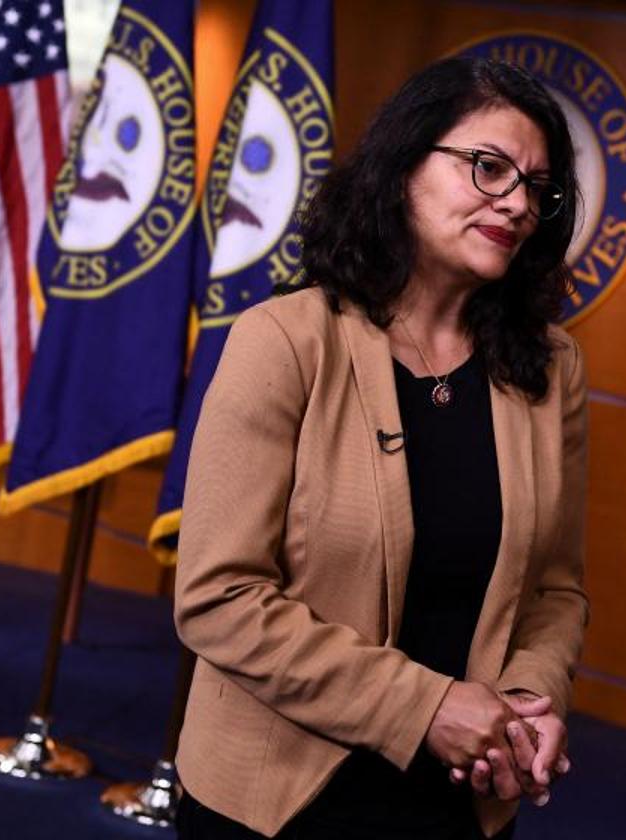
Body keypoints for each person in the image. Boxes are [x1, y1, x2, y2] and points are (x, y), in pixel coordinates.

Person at [172, 55, 589, 839]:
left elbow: (556, 590)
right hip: (276, 800)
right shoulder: (285, 340)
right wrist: (426, 707)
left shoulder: (552, 367)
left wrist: (532, 702)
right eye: (487, 168)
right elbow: (217, 599)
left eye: (536, 187)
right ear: (403, 167)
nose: (517, 204)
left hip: (457, 798)